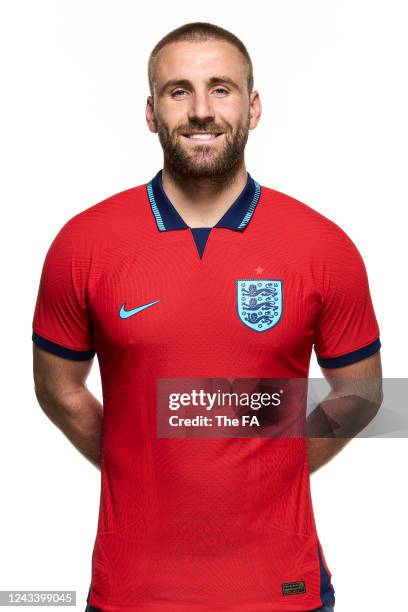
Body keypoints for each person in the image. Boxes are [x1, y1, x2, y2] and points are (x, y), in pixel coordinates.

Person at [32, 21, 382, 612]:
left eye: (221, 88)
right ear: (150, 112)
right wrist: (138, 457)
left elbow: (363, 392)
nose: (200, 110)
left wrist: (272, 462)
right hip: (133, 590)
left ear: (254, 105)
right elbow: (56, 388)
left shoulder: (323, 246)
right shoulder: (84, 243)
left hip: (282, 588)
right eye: (178, 91)